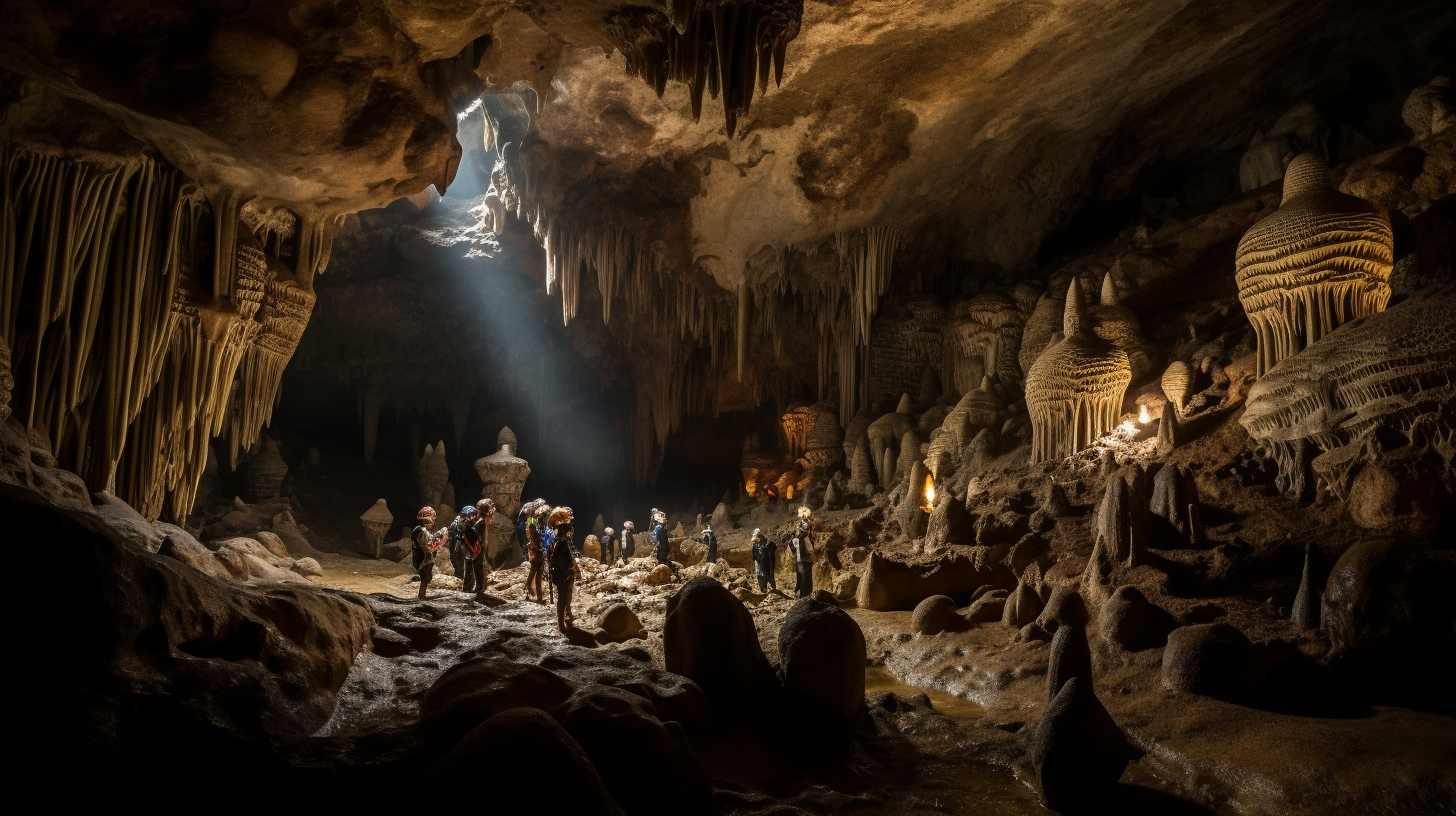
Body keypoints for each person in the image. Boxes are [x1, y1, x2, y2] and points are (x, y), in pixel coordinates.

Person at [546, 506, 579, 632]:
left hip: (563, 574)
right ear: (565, 531)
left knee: (564, 598)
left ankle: (562, 622)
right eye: (570, 531)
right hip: (562, 575)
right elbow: (557, 560)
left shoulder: (561, 541)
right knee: (562, 598)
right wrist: (568, 572)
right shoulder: (561, 542)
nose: (571, 532)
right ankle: (561, 625)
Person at [410, 506, 446, 599]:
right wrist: (438, 539)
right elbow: (427, 546)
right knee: (425, 579)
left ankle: (422, 595)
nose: (432, 523)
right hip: (423, 559)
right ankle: (421, 597)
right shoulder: (422, 531)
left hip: (423, 558)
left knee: (426, 578)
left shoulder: (421, 530)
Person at [522, 498, 549, 603]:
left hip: (535, 550)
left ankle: (529, 591)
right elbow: (534, 537)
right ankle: (538, 597)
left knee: (534, 572)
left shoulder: (532, 521)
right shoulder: (533, 522)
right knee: (537, 573)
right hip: (537, 551)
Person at [471, 498, 496, 598]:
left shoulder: (482, 522)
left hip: (480, 549)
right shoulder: (480, 523)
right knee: (478, 567)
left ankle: (480, 587)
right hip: (478, 550)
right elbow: (475, 537)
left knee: (480, 567)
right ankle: (479, 588)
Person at [459, 505, 483, 593]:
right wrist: (472, 550)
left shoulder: (471, 525)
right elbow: (465, 538)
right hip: (469, 550)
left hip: (470, 549)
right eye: (472, 515)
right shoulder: (466, 526)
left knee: (470, 569)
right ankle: (467, 588)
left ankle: (467, 587)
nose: (474, 517)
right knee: (470, 569)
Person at [791, 506, 814, 598]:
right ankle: (803, 595)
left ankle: (801, 593)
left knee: (802, 577)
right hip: (803, 559)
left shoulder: (801, 532)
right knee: (804, 578)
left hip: (801, 559)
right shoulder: (803, 535)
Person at [751, 528, 776, 594]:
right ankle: (766, 593)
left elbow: (773, 548)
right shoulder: (755, 545)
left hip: (767, 567)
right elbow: (754, 557)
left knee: (771, 583)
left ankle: (773, 594)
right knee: (763, 585)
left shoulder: (768, 544)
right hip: (760, 568)